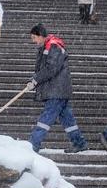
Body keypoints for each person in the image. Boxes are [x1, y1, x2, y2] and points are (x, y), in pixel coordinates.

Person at [26, 24, 89, 154]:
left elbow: (51, 68)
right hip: (59, 89)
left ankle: (33, 145)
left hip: (57, 90)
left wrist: (36, 80)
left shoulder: (53, 46)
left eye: (34, 37)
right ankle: (79, 143)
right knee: (67, 119)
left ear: (41, 35)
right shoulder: (48, 46)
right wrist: (34, 80)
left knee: (46, 118)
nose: (33, 41)